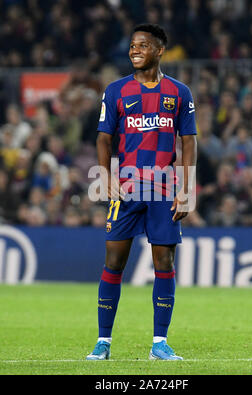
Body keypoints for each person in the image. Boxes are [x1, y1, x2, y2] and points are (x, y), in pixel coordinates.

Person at [86, 24, 197, 361]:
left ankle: (159, 343)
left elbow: (188, 141)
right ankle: (103, 342)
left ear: (159, 50)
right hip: (127, 187)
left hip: (164, 190)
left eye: (143, 45)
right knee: (113, 262)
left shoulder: (180, 92)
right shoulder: (115, 91)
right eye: (133, 45)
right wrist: (106, 177)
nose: (135, 50)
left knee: (164, 262)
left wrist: (187, 188)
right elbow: (104, 138)